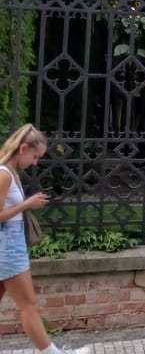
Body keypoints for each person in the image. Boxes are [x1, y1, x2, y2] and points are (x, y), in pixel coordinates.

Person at [1, 124, 90, 354]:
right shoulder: (4, 175)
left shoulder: (9, 173)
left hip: (9, 244)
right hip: (7, 247)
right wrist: (26, 205)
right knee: (28, 305)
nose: (35, 162)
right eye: (35, 156)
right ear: (23, 148)